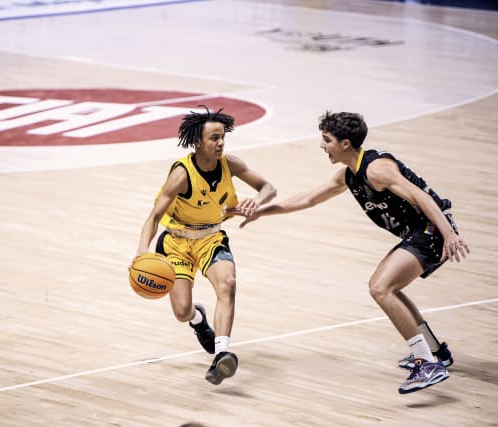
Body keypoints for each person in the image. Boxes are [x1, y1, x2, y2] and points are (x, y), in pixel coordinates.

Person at [234, 111, 469, 394]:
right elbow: (309, 198)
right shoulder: (349, 174)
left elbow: (421, 196)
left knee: (381, 288)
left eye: (327, 140)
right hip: (422, 232)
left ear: (345, 143)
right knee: (388, 287)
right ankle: (436, 352)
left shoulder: (376, 169)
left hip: (432, 230)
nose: (322, 145)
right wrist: (262, 212)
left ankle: (426, 363)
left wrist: (449, 233)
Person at [133, 106, 276, 385]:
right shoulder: (181, 175)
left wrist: (257, 201)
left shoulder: (230, 164)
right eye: (214, 138)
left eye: (223, 137)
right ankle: (197, 319)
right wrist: (142, 250)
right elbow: (153, 217)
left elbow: (269, 188)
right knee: (181, 312)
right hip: (176, 243)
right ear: (197, 142)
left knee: (227, 284)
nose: (221, 143)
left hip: (211, 238)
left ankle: (222, 354)